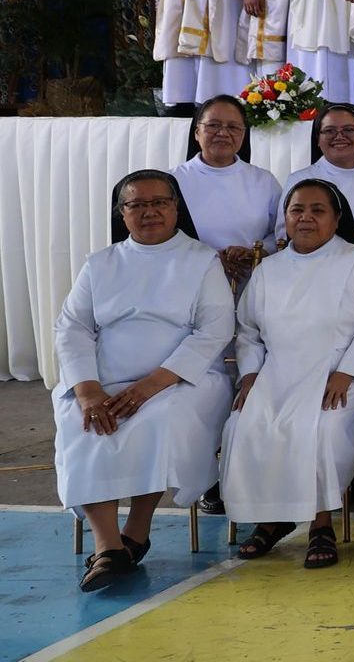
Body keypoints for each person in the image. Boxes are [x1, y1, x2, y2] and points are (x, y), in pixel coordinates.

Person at [55, 171, 235, 591]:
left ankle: (137, 530)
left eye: (160, 203)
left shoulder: (201, 259)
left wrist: (149, 386)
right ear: (122, 214)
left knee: (155, 421)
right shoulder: (100, 263)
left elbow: (214, 330)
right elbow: (72, 328)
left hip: (180, 380)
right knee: (83, 423)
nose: (149, 212)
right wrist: (87, 390)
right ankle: (109, 546)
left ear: (176, 208)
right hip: (104, 381)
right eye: (136, 205)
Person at [219, 180, 354, 569]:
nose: (306, 218)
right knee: (246, 423)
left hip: (339, 373)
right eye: (297, 210)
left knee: (322, 429)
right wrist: (250, 376)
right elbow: (248, 331)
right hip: (277, 372)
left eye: (317, 210)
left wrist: (347, 372)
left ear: (337, 218)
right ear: (285, 218)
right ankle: (271, 519)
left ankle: (320, 523)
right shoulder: (268, 270)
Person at [172, 96, 281, 283]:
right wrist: (210, 259)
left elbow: (280, 232)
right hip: (189, 279)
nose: (223, 133)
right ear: (197, 132)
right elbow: (164, 236)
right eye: (213, 125)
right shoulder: (172, 181)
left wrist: (258, 252)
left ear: (243, 135)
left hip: (251, 278)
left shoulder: (264, 180)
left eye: (233, 127)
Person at [279, 105, 354, 247]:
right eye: (329, 131)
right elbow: (282, 234)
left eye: (349, 130)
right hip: (314, 264)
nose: (339, 136)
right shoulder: (298, 180)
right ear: (317, 139)